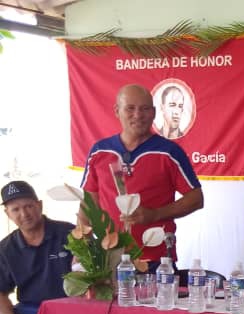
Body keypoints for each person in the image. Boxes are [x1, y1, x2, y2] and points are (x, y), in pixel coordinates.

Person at [81, 84, 203, 268]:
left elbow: (196, 199)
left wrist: (155, 214)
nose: (138, 115)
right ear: (117, 111)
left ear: (154, 113)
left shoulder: (169, 152)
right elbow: (88, 201)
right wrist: (84, 247)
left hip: (156, 261)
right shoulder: (99, 151)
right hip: (109, 258)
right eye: (130, 108)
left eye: (145, 108)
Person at [0, 181, 74, 314]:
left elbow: (92, 274)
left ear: (39, 205)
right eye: (16, 209)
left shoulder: (68, 233)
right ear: (8, 214)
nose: (24, 213)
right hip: (29, 313)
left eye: (28, 206)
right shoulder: (6, 248)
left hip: (67, 311)